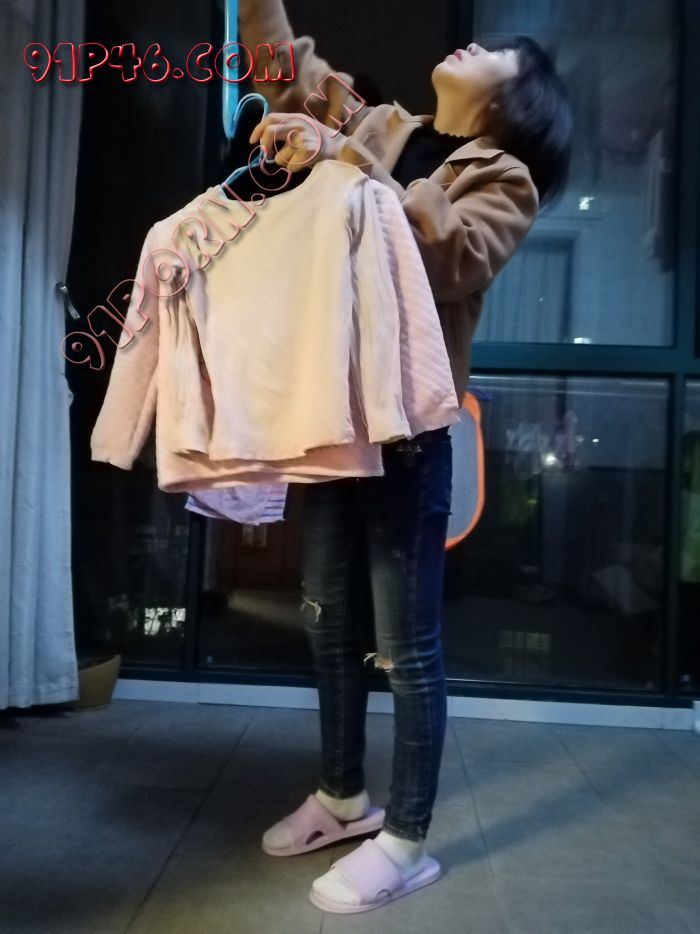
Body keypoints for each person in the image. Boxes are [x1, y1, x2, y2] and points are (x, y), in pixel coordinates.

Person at [238, 0, 572, 914]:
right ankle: (343, 798)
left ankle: (407, 840)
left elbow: (450, 258)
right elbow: (288, 78)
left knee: (407, 646)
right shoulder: (385, 123)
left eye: (497, 52)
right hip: (333, 414)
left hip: (413, 429)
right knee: (324, 616)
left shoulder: (503, 176)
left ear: (516, 101)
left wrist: (346, 161)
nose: (473, 44)